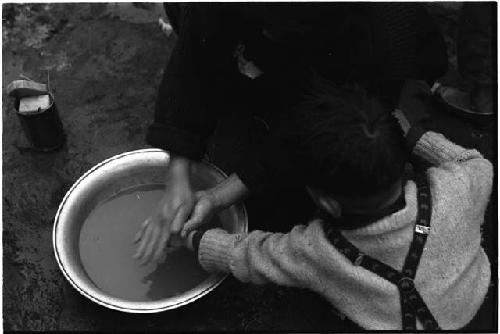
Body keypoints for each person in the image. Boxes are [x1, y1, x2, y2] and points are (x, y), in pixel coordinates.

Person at [134, 3, 449, 264]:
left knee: (290, 199)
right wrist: (178, 173)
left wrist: (223, 194)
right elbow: (195, 56)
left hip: (364, 66)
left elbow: (320, 124)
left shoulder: (382, 39)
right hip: (288, 47)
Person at [175, 79, 493, 330]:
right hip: (478, 311)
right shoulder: (459, 186)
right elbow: (475, 161)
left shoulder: (317, 251)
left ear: (326, 201)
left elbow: (250, 254)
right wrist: (414, 138)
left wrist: (191, 238)